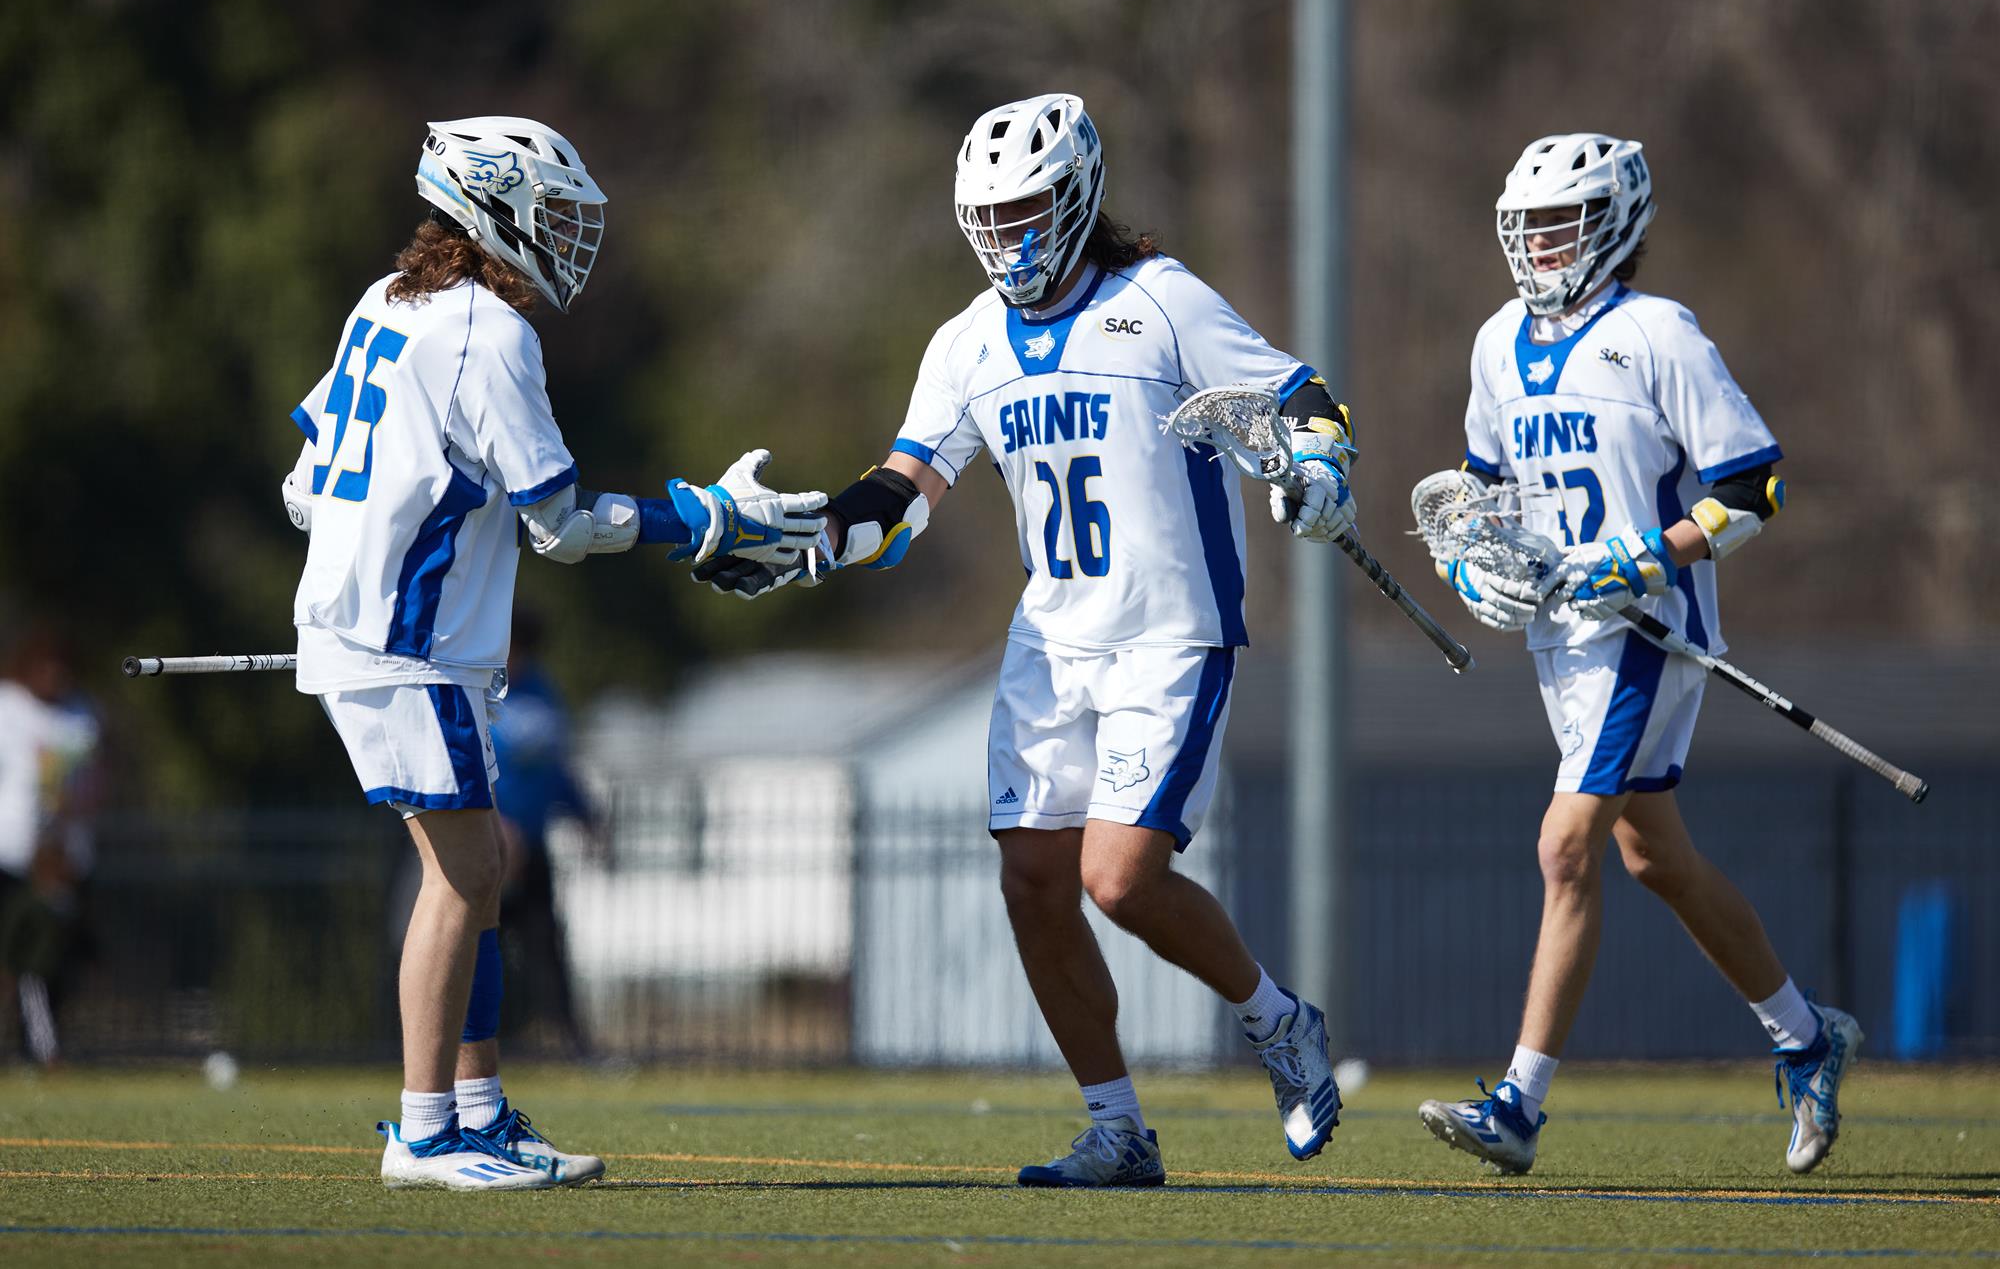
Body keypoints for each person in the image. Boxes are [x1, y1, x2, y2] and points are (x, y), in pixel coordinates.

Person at [701, 94, 1359, 1187]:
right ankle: (1116, 1129)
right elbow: (906, 484)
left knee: (1119, 876)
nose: (1011, 235)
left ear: (1078, 192)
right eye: (991, 215)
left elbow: (1300, 395)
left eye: (1030, 207)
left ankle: (1279, 1021)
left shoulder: (1159, 301)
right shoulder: (966, 343)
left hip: (1167, 631)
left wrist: (1322, 469)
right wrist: (822, 531)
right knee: (1033, 883)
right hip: (1052, 639)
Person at [282, 116, 824, 1190]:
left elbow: (305, 482)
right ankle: (426, 1131)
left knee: (474, 875)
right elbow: (560, 523)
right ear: (494, 209)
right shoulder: (486, 329)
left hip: (385, 632)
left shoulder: (386, 302)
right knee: (467, 871)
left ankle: (473, 1111)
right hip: (412, 641)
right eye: (553, 212)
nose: (569, 236)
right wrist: (702, 518)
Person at [1417, 133, 1860, 1176]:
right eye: (1524, 227)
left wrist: (1647, 555)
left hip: (1643, 635)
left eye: (1558, 223)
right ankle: (1805, 1035)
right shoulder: (1493, 343)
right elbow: (1481, 497)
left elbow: (1753, 489)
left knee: (1564, 846)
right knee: (1651, 856)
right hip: (1557, 641)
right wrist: (1472, 572)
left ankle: (1518, 1105)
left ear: (1612, 223)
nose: (1538, 245)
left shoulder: (1656, 333)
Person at [491, 610, 594, 1056]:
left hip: (532, 849)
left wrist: (585, 814)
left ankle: (569, 1043)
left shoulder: (542, 692)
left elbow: (556, 767)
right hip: (486, 847)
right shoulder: (479, 687)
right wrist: (493, 825)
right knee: (474, 947)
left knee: (546, 948)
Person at [0, 627, 101, 1066]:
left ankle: (38, 1049)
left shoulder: (82, 714)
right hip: (11, 853)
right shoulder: (8, 708)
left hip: (62, 860)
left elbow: (96, 780)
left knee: (48, 960)